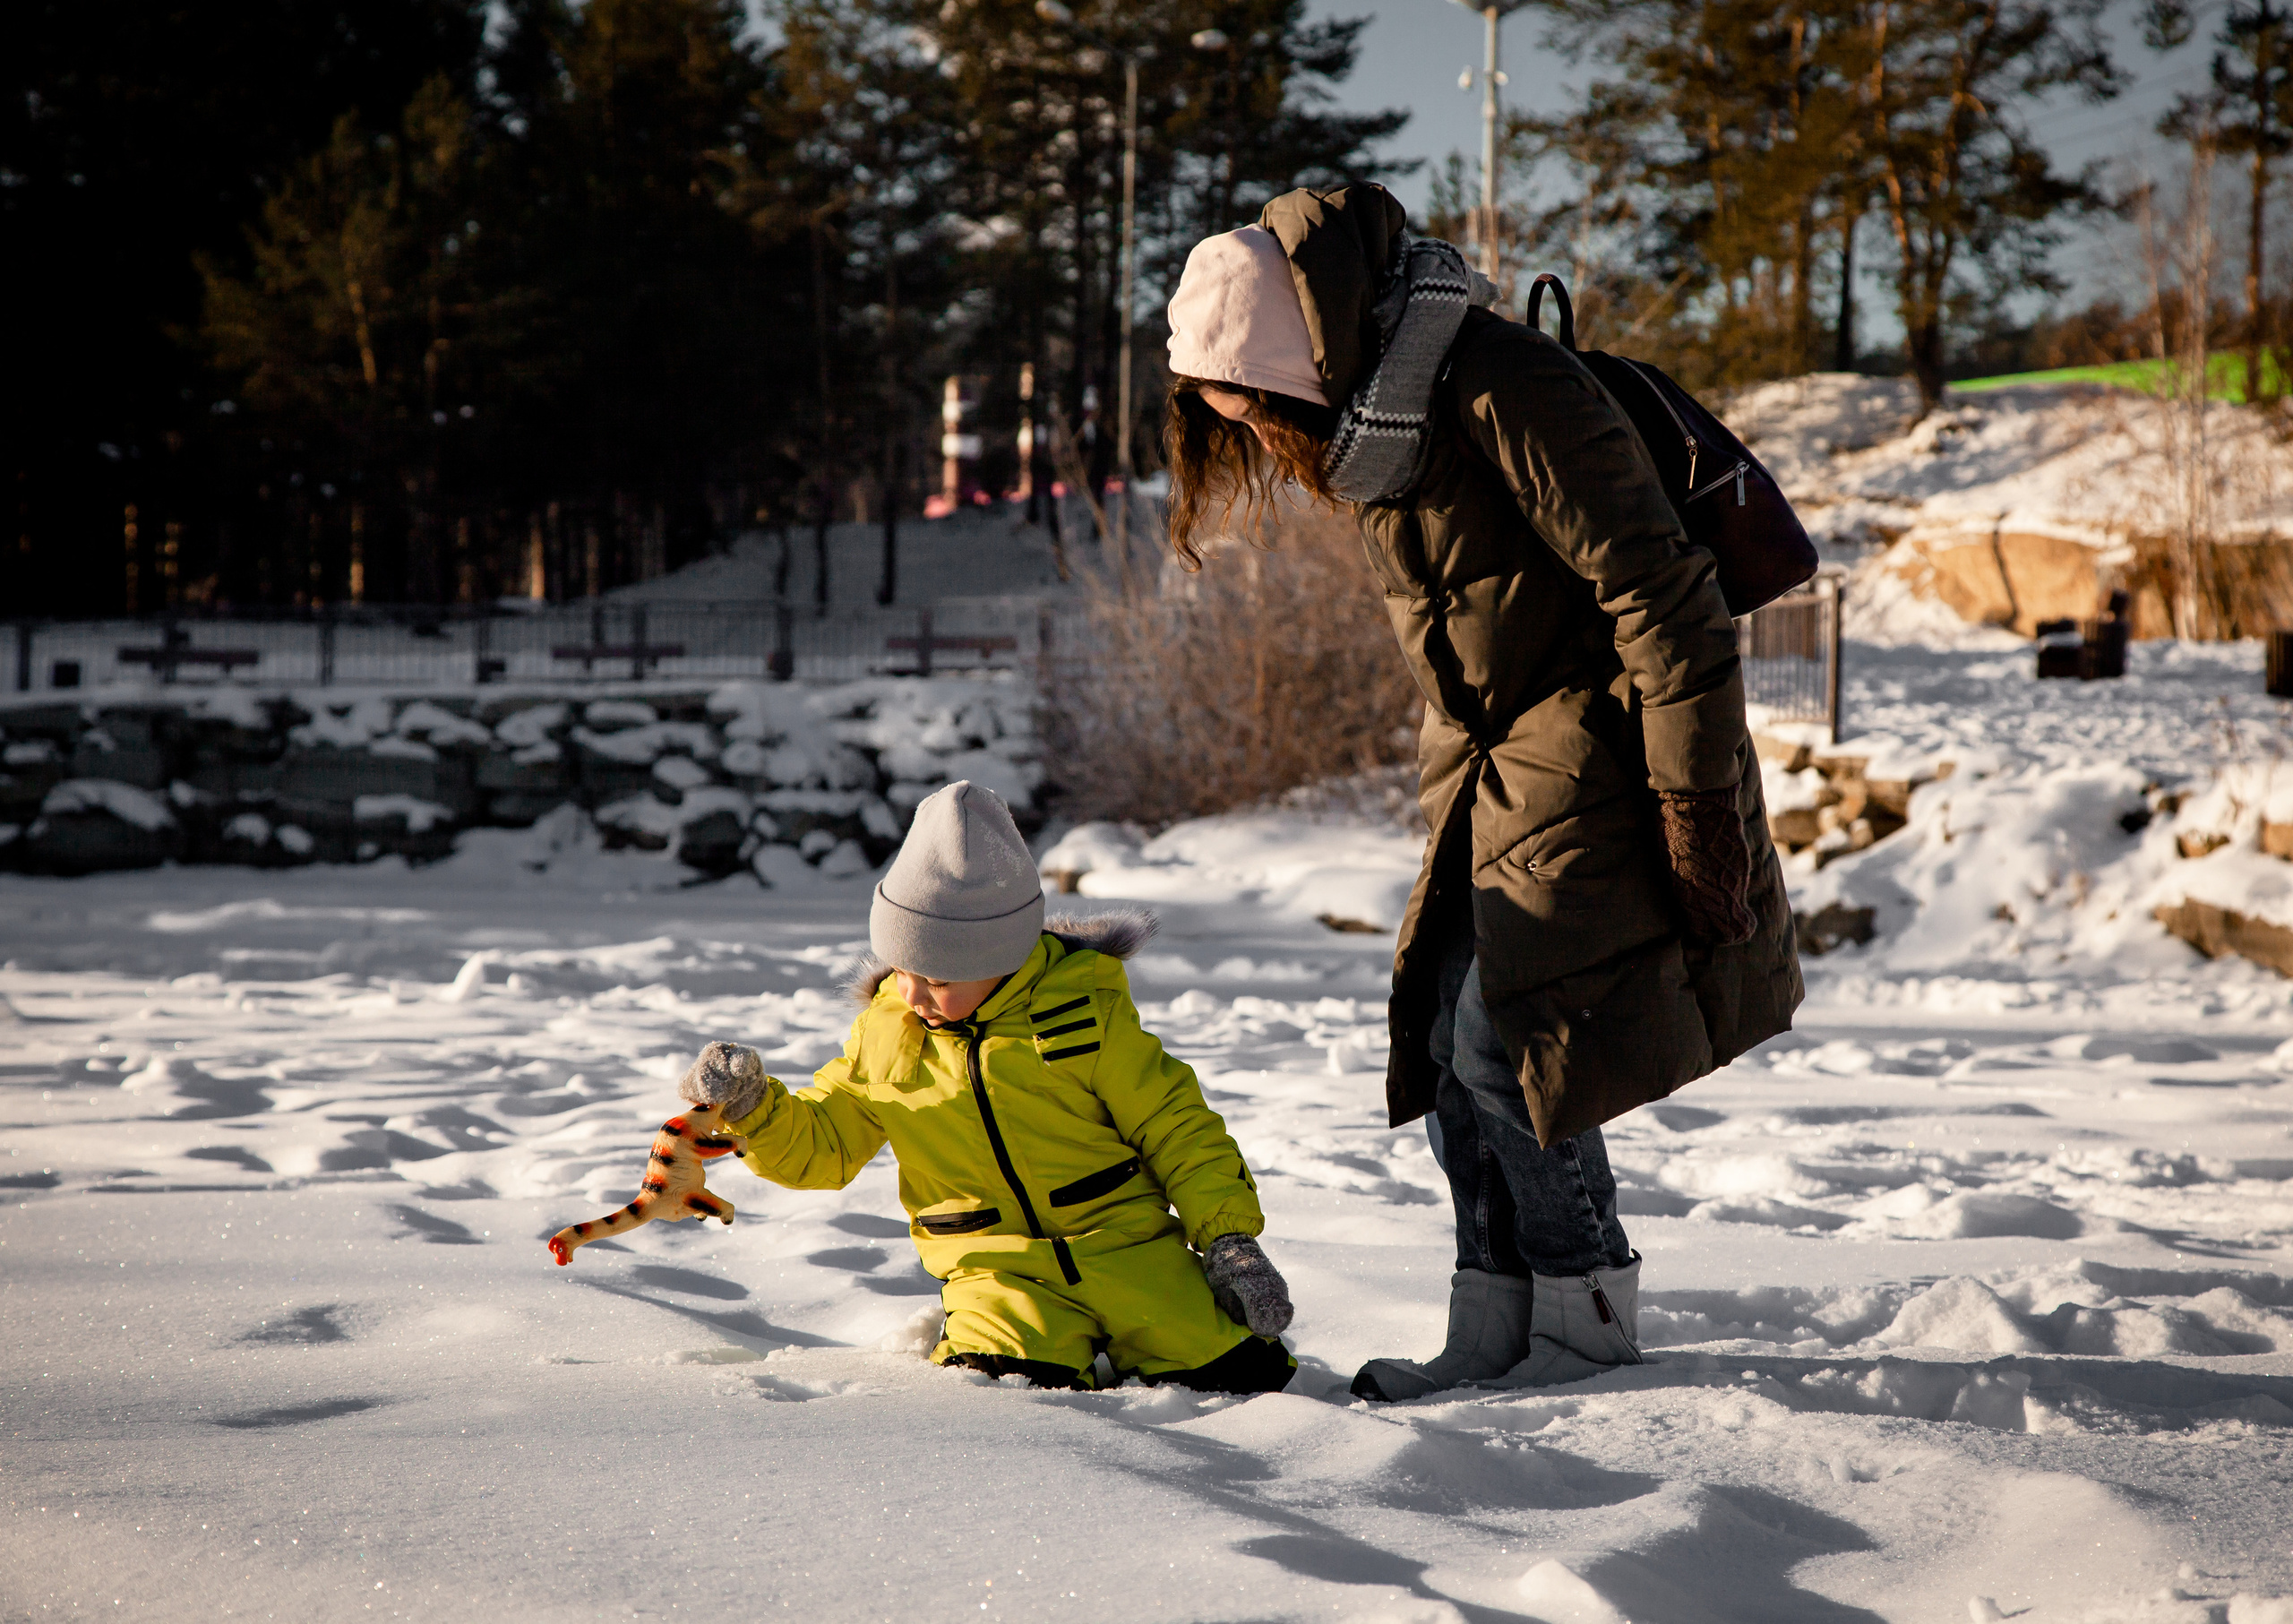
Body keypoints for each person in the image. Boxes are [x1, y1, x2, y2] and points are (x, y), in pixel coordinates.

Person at [1159, 185, 1803, 1400]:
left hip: (1603, 743)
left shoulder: (1506, 387)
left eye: (1254, 408)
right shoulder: (1383, 418)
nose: (1255, 438)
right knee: (1449, 1058)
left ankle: (1586, 1319)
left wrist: (1695, 804)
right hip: (1489, 765)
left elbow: (1668, 602)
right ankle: (1495, 1324)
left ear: (1305, 352)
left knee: (1507, 1040)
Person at [676, 779, 1297, 1394]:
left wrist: (1228, 1238)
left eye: (940, 977)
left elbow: (1178, 1126)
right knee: (1008, 1387)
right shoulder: (886, 1036)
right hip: (995, 1271)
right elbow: (826, 1143)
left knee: (1239, 1376)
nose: (913, 993)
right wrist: (753, 1108)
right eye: (904, 969)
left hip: (1128, 1249)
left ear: (1002, 955)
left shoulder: (1084, 1013)